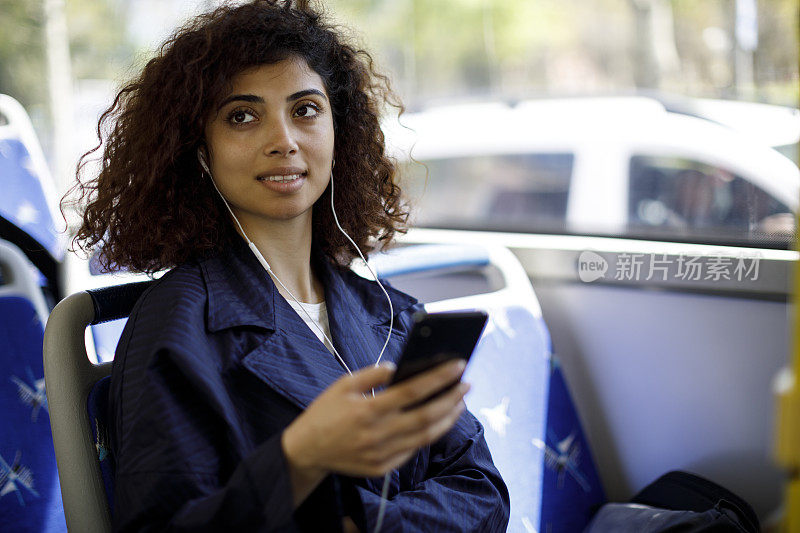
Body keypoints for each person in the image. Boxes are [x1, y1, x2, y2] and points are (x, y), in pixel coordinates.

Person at [68, 1, 510, 531]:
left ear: (336, 130)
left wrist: (357, 525)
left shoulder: (386, 309)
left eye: (304, 109)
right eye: (242, 116)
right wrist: (296, 460)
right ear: (199, 150)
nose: (284, 141)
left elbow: (480, 490)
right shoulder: (176, 327)